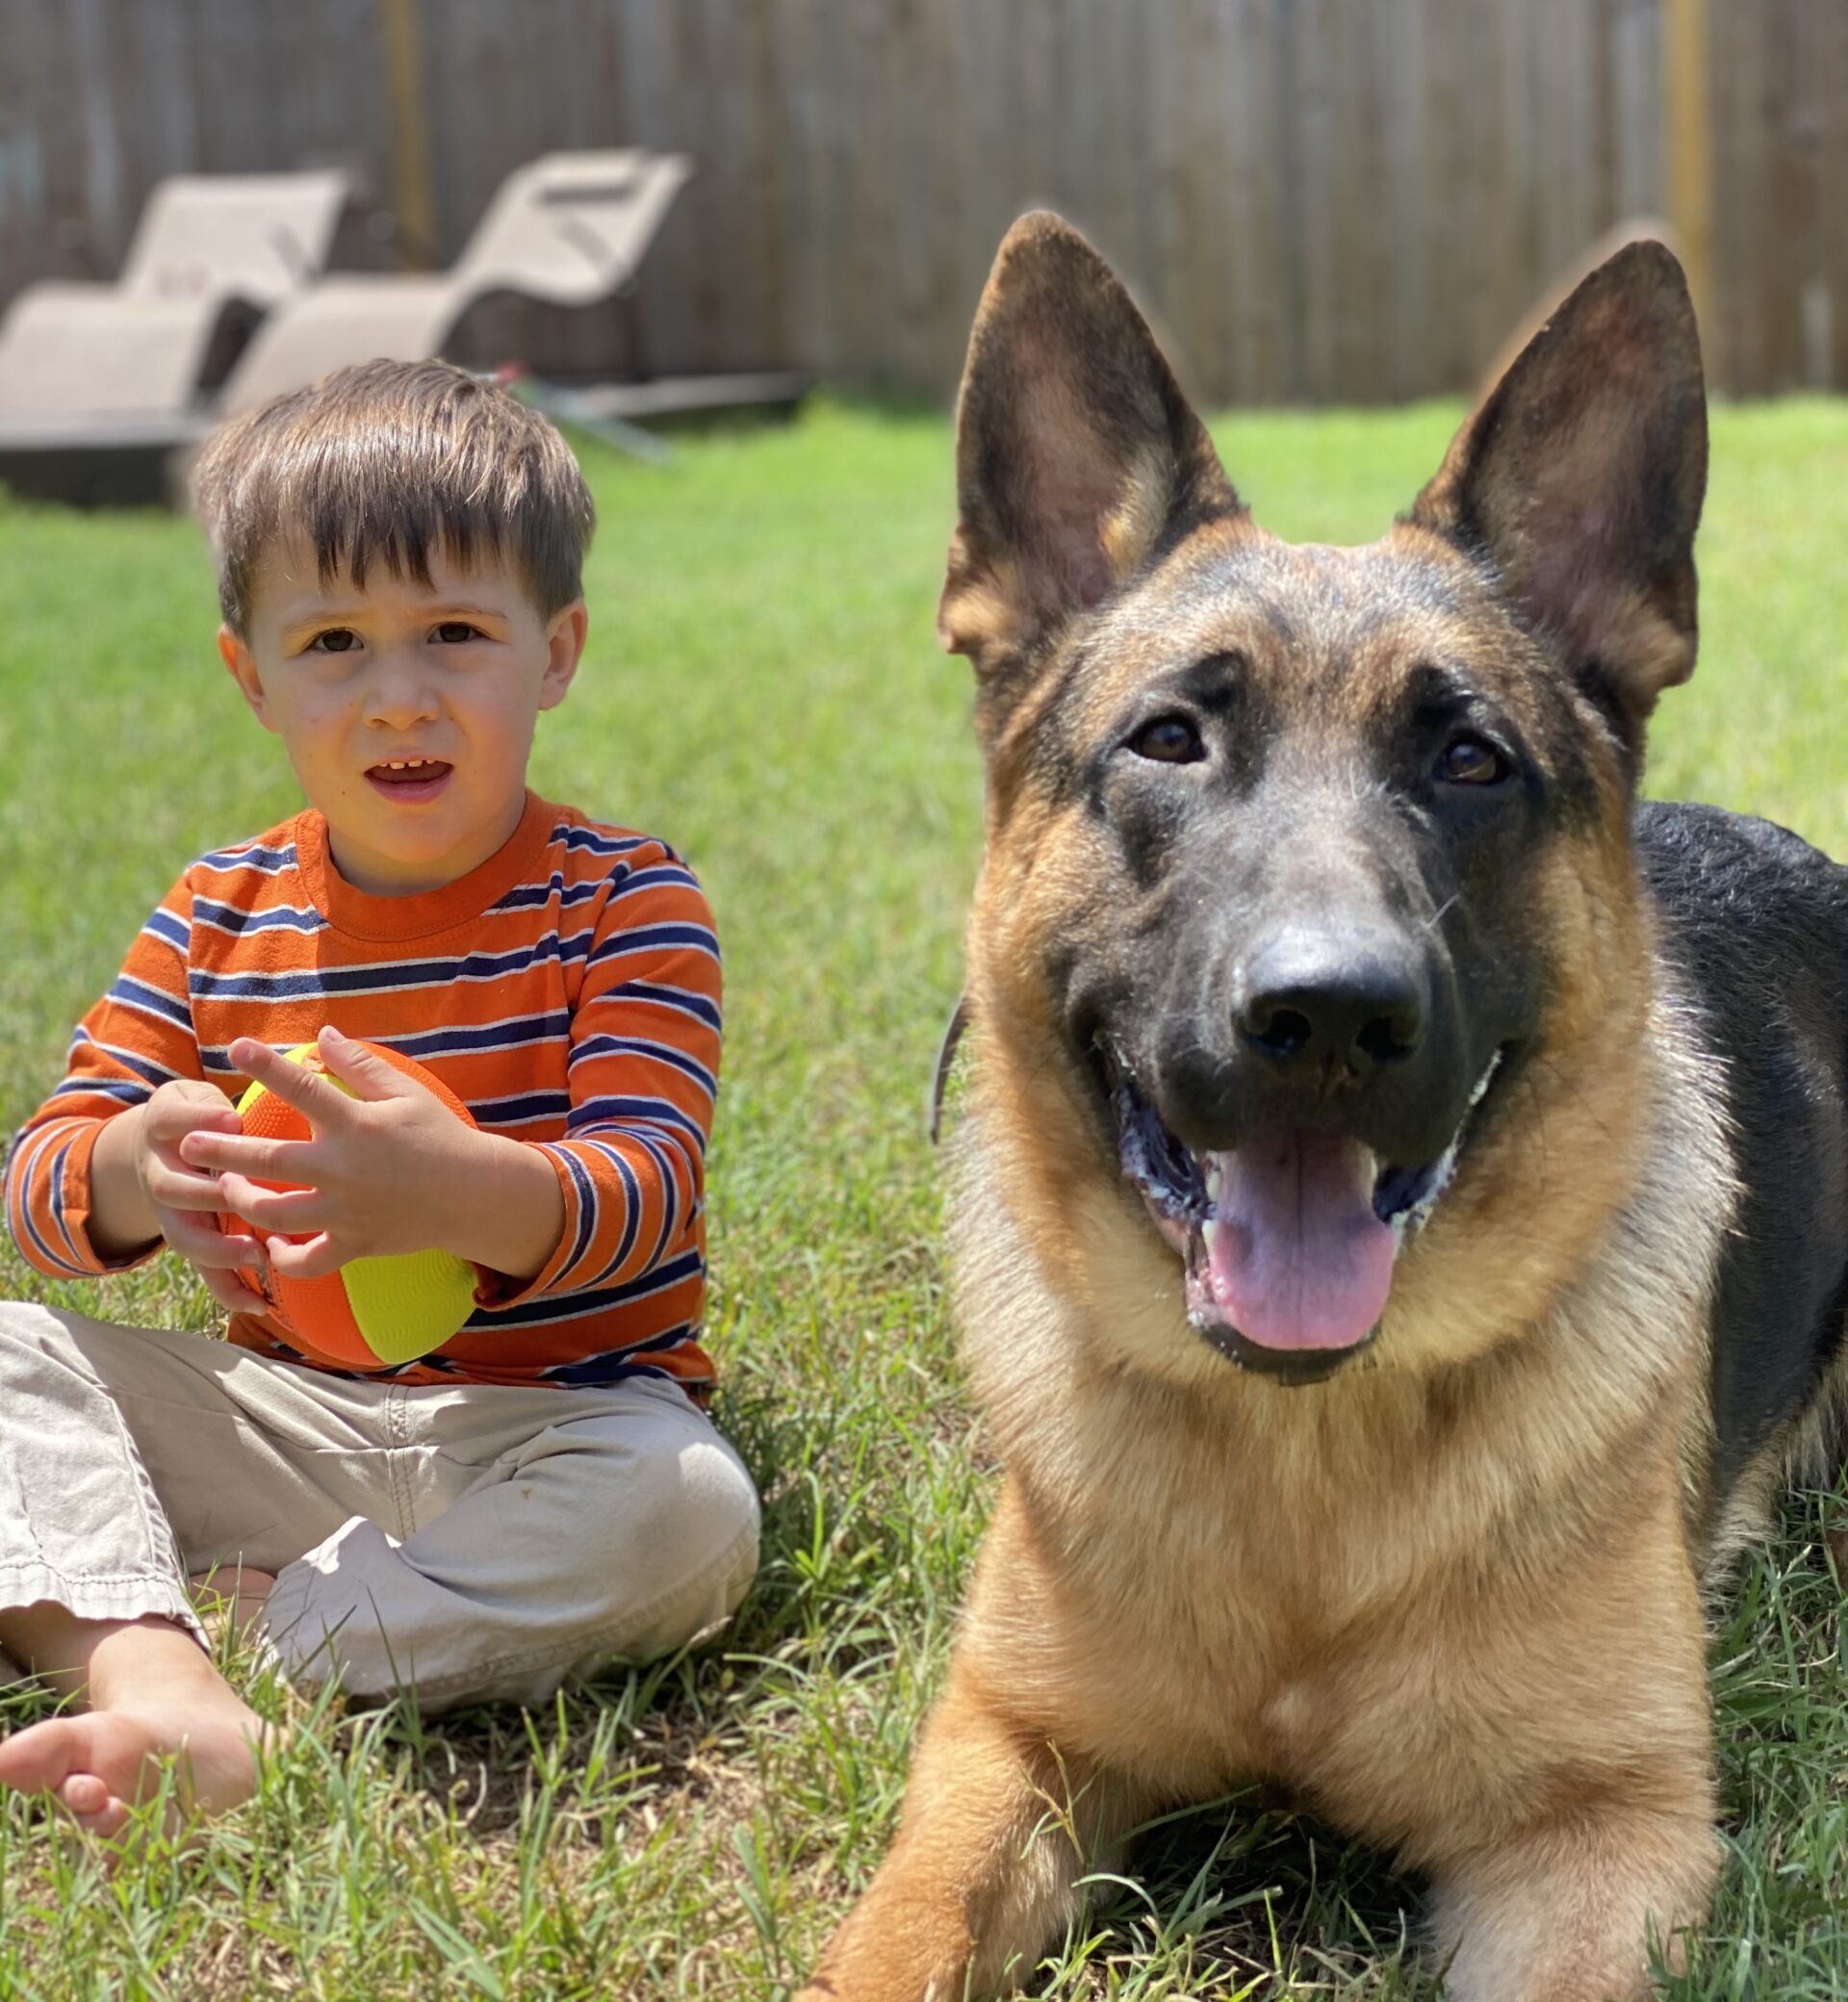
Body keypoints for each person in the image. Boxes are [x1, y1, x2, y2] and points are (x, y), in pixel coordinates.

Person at [0, 360, 760, 1835]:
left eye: (456, 634)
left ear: (555, 651)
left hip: (554, 1430)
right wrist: (138, 1170)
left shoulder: (625, 902)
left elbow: (652, 1188)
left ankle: (257, 1645)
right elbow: (40, 1179)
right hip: (285, 1420)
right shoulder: (220, 911)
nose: (399, 695)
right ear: (253, 676)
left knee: (692, 1515)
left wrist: (458, 1191)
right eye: (334, 640)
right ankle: (152, 1668)